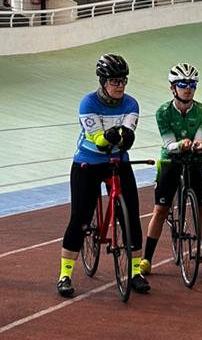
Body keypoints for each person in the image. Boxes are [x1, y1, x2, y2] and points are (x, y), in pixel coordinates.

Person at [57, 53, 150, 299]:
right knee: (80, 217)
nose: (120, 86)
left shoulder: (131, 104)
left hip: (119, 162)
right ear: (102, 82)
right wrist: (114, 135)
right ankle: (65, 275)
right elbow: (99, 141)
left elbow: (127, 137)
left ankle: (134, 273)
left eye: (123, 81)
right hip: (87, 162)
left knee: (130, 213)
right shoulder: (87, 103)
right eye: (114, 81)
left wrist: (119, 135)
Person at [137, 63, 202, 284]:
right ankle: (146, 259)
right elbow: (168, 144)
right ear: (173, 88)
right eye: (182, 84)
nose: (188, 88)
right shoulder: (163, 112)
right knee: (160, 210)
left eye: (192, 84)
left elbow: (201, 139)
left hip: (194, 160)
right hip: (171, 160)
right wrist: (181, 144)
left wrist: (196, 145)